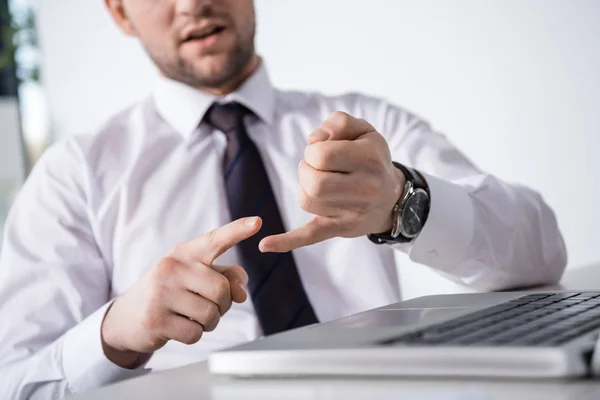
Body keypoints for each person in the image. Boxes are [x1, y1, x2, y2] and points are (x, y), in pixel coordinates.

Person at [0, 0, 567, 398]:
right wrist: (115, 333)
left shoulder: (366, 131)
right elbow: (17, 382)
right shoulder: (74, 175)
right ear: (119, 11)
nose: (193, 3)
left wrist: (403, 201)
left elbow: (541, 252)